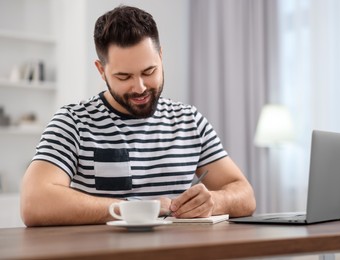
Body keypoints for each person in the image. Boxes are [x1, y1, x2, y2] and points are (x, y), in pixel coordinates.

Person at [20, 5, 256, 227]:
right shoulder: (73, 122)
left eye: (149, 71)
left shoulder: (189, 120)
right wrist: (139, 209)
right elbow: (34, 202)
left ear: (161, 57)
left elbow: (245, 195)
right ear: (101, 70)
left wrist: (214, 201)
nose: (140, 87)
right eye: (124, 77)